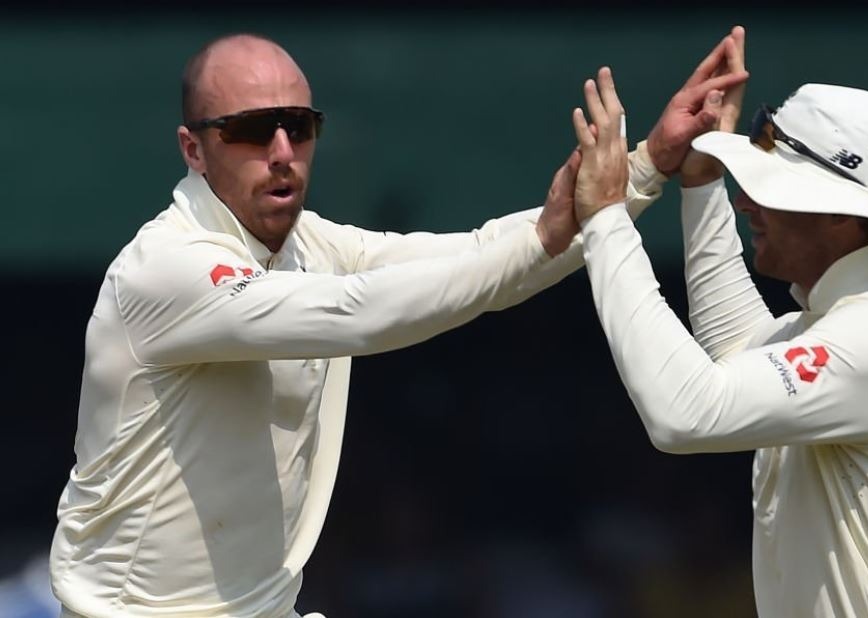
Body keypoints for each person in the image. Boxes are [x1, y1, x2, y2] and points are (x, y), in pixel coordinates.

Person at [48, 33, 751, 618]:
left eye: (300, 126)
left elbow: (484, 260)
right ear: (193, 149)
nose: (284, 150)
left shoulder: (313, 246)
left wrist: (646, 166)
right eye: (253, 130)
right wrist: (546, 234)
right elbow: (357, 312)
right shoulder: (166, 268)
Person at [570, 26, 868, 617]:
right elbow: (738, 347)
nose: (746, 202)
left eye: (771, 188)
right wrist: (703, 181)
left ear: (841, 215)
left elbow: (685, 415)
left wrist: (607, 220)